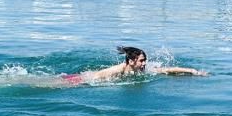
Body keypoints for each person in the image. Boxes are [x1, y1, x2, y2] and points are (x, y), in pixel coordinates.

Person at [60, 46, 207, 85]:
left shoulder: (145, 70)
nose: (144, 63)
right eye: (141, 60)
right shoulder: (117, 70)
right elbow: (96, 78)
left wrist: (193, 71)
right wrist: (77, 83)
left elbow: (168, 70)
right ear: (131, 61)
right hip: (79, 79)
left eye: (145, 60)